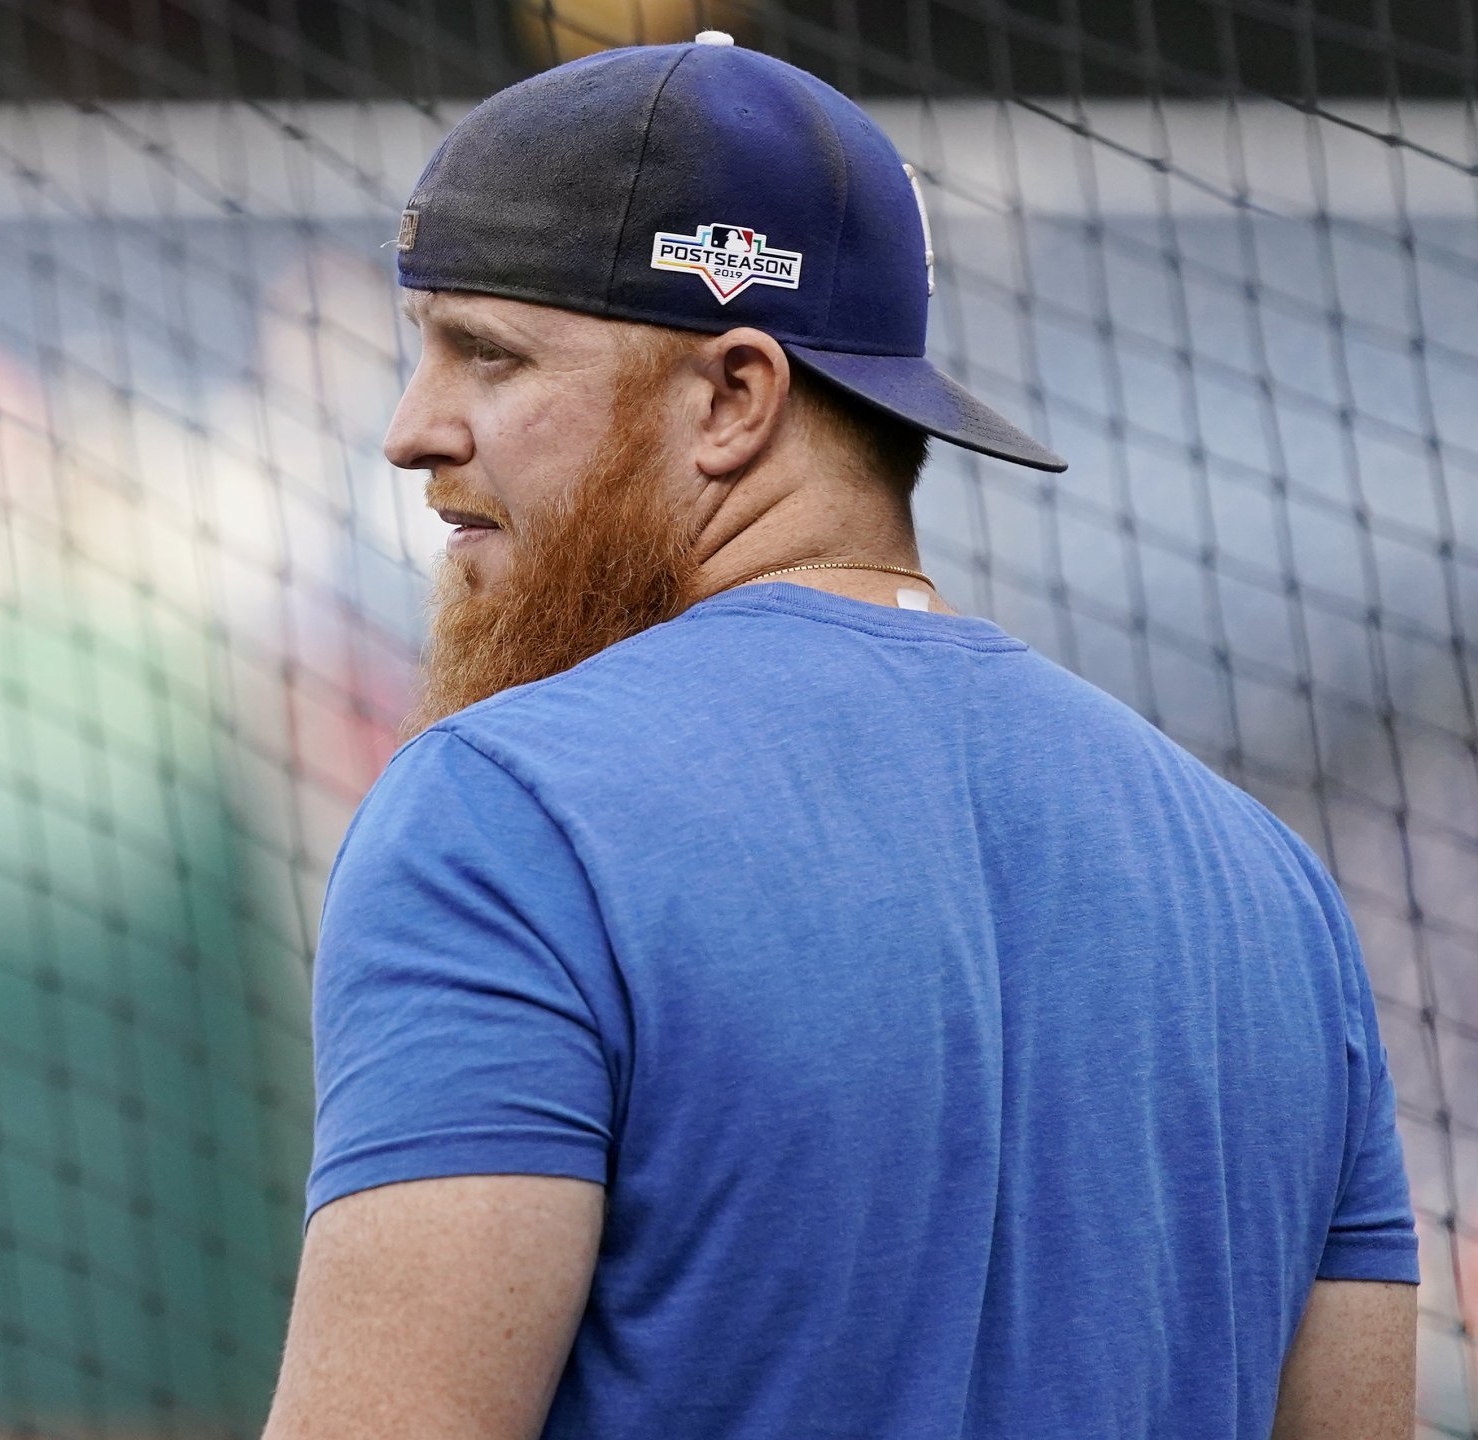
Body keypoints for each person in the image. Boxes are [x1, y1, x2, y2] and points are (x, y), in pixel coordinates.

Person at [264, 33, 1418, 1440]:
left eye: (487, 355)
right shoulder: (1272, 884)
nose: (410, 429)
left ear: (735, 401)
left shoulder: (504, 818)